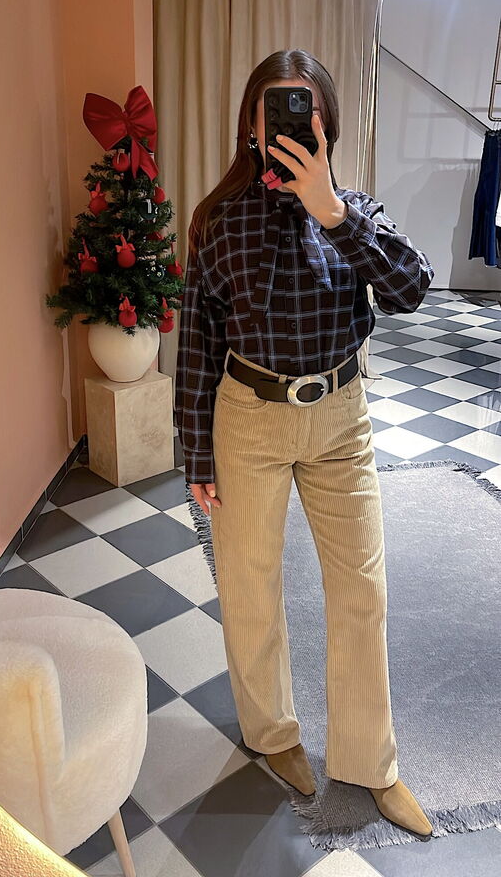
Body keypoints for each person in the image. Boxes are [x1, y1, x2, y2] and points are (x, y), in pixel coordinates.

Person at [174, 49, 435, 837]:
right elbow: (198, 341)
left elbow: (412, 290)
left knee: (362, 590)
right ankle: (272, 734)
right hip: (247, 418)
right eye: (275, 108)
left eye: (306, 107)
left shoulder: (353, 209)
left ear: (326, 122)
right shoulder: (217, 218)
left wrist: (333, 212)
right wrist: (195, 454)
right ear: (252, 127)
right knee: (250, 584)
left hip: (341, 420)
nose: (291, 121)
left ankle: (370, 762)